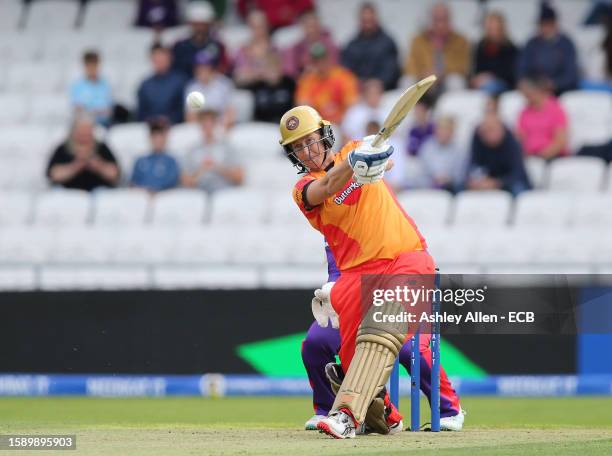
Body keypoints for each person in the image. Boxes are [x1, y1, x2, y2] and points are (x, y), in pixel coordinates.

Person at [279, 105, 436, 439]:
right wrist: (352, 168)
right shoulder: (303, 189)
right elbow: (325, 188)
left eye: (311, 141)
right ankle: (387, 416)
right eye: (298, 147)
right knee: (351, 360)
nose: (307, 152)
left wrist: (373, 157)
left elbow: (386, 160)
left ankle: (346, 416)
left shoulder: (353, 150)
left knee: (380, 329)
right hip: (354, 277)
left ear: (325, 136)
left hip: (407, 258)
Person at [302, 243, 464, 432]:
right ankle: (330, 409)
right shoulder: (337, 228)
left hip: (404, 295)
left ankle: (449, 410)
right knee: (316, 343)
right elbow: (338, 273)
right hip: (354, 300)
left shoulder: (386, 224)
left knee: (408, 349)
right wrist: (334, 296)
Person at [404, 2, 470, 93]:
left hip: (446, 79)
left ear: (450, 20)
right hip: (423, 79)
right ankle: (412, 107)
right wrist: (423, 73)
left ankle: (453, 107)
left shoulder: (460, 40)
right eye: (437, 20)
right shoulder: (418, 40)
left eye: (444, 20)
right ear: (430, 20)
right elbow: (409, 66)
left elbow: (463, 67)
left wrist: (441, 73)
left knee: (456, 81)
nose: (440, 25)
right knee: (407, 81)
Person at [517, 1, 579, 95]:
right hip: (534, 89)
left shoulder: (566, 43)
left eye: (548, 24)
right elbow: (521, 69)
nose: (545, 28)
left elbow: (571, 75)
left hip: (559, 90)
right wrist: (531, 84)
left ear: (555, 24)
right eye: (542, 24)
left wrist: (553, 83)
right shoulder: (532, 43)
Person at [47, 115, 120, 191]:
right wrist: (75, 166)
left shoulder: (101, 147)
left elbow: (115, 174)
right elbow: (53, 175)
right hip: (68, 192)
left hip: (98, 191)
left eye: (88, 132)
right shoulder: (63, 148)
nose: (85, 136)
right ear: (74, 132)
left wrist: (98, 166)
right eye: (81, 132)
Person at [467, 112, 531, 196]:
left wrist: (496, 183)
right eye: (485, 132)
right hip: (486, 182)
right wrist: (476, 180)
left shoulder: (512, 143)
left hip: (509, 183)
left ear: (501, 129)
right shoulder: (478, 140)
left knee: (518, 189)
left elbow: (518, 174)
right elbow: (474, 165)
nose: (488, 134)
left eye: (492, 130)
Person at [181, 109, 244, 193]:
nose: (208, 127)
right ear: (200, 125)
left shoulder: (227, 147)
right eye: (204, 124)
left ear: (216, 124)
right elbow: (186, 181)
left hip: (223, 192)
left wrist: (217, 167)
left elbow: (239, 177)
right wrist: (202, 170)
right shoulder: (192, 150)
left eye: (211, 123)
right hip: (199, 194)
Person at [341, 2, 400, 90]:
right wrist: (360, 84)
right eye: (364, 21)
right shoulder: (351, 45)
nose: (367, 25)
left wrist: (378, 83)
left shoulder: (388, 42)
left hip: (384, 92)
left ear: (376, 19)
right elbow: (345, 72)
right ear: (359, 21)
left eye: (370, 20)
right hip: (358, 93)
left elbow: (391, 70)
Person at [295, 43, 358, 124]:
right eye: (316, 61)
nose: (321, 64)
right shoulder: (307, 80)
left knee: (356, 114)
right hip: (319, 124)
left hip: (343, 121)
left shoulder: (343, 76)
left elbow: (352, 102)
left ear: (329, 59)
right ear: (312, 63)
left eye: (323, 59)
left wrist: (340, 118)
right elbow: (303, 104)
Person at [171, 1, 228, 78]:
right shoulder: (180, 46)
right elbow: (176, 71)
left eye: (203, 24)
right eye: (196, 24)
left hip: (212, 84)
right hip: (187, 85)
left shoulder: (218, 45)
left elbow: (224, 69)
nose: (200, 28)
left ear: (209, 24)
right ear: (190, 24)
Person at [516, 76, 569, 159]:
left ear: (540, 91)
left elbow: (560, 141)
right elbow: (520, 137)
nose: (527, 97)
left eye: (529, 94)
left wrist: (541, 156)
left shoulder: (556, 110)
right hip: (530, 156)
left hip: (552, 156)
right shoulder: (524, 111)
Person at [138, 43, 188, 124]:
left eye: (162, 58)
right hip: (152, 129)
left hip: (177, 128)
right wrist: (152, 120)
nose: (159, 62)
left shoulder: (181, 81)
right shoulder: (145, 85)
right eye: (156, 59)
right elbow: (141, 113)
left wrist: (170, 120)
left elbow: (184, 108)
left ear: (169, 58)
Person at [184, 49, 235, 124]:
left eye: (206, 68)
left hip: (221, 125)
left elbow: (231, 112)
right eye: (199, 68)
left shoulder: (224, 84)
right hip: (200, 128)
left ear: (212, 68)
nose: (202, 72)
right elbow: (190, 117)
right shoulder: (192, 88)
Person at [472, 12, 518, 94]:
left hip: (504, 84)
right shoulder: (481, 46)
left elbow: (510, 74)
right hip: (483, 82)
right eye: (490, 28)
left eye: (496, 28)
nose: (493, 32)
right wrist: (479, 78)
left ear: (501, 28)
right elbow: (477, 69)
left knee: (491, 86)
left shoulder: (510, 48)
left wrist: (491, 77)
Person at [130, 117, 181, 192]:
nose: (158, 139)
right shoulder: (140, 160)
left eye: (160, 136)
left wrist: (154, 191)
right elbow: (133, 183)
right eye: (154, 136)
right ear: (150, 137)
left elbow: (172, 182)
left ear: (165, 138)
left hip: (165, 199)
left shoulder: (171, 161)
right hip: (140, 197)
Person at [284, 9, 339, 78]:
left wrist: (318, 70)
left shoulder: (330, 45)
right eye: (308, 26)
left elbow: (335, 66)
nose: (312, 30)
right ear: (302, 27)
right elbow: (289, 71)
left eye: (314, 25)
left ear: (319, 25)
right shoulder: (296, 49)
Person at [419, 116, 468, 192]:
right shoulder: (427, 147)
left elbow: (460, 176)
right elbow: (422, 171)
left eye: (447, 129)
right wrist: (435, 178)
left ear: (452, 132)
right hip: (428, 186)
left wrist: (447, 179)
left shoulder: (459, 150)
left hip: (451, 189)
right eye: (441, 128)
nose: (443, 132)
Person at [232, 9, 279, 87]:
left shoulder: (274, 49)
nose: (257, 30)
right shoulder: (242, 50)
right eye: (254, 26)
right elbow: (239, 77)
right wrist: (262, 74)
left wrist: (253, 74)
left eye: (260, 26)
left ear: (267, 26)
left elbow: (275, 77)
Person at [244, 53, 295, 123]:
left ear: (280, 68)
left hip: (284, 124)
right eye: (268, 67)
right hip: (261, 124)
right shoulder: (257, 85)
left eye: (274, 67)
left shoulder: (289, 84)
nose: (271, 71)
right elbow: (239, 83)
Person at [70, 50, 113, 127]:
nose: (93, 69)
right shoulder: (77, 86)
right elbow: (78, 110)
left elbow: (108, 111)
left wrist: (92, 111)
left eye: (95, 65)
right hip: (85, 125)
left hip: (104, 124)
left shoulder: (105, 85)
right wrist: (96, 112)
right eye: (90, 65)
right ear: (85, 66)